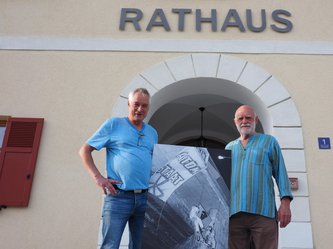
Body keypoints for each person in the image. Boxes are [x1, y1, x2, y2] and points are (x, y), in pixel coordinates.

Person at [79, 88, 158, 249]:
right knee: (110, 246)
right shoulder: (113, 124)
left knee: (140, 246)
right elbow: (84, 150)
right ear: (128, 104)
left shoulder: (152, 133)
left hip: (144, 198)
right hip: (118, 197)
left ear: (148, 108)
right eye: (136, 104)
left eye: (144, 106)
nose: (140, 109)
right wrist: (98, 178)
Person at [225, 105, 293, 249]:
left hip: (264, 212)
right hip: (234, 214)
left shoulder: (269, 142)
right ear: (235, 122)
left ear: (256, 119)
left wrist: (285, 203)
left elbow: (281, 172)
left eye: (248, 117)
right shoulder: (229, 148)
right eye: (240, 118)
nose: (244, 121)